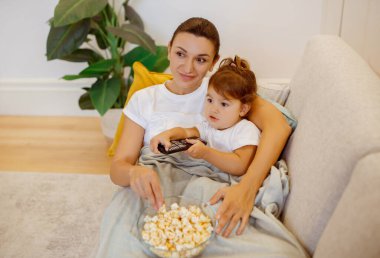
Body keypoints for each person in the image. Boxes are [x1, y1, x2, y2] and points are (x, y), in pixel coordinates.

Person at [110, 17, 291, 238]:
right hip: (159, 184)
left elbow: (279, 126)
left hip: (209, 185)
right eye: (180, 54)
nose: (187, 67)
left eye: (201, 59)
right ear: (168, 49)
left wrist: (247, 189)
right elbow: (118, 167)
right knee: (125, 236)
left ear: (213, 62)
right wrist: (133, 172)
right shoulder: (145, 99)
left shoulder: (223, 91)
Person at [150, 56, 260, 178]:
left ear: (243, 109)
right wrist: (168, 134)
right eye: (210, 100)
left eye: (224, 104)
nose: (213, 109)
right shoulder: (208, 126)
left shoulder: (245, 130)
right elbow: (186, 132)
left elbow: (240, 166)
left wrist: (206, 153)